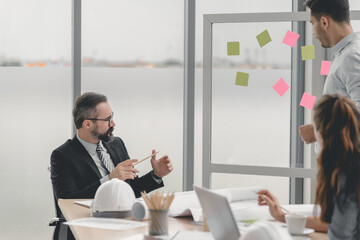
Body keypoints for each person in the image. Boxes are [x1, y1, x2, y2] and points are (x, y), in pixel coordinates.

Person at [50, 92, 173, 239]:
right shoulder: (63, 155)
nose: (113, 124)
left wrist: (156, 175)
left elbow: (131, 190)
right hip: (87, 231)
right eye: (108, 119)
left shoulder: (116, 144)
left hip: (123, 227)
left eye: (112, 117)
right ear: (87, 123)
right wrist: (110, 179)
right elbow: (67, 200)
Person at [259, 94, 360, 239]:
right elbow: (334, 222)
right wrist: (282, 216)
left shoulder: (346, 174)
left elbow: (340, 235)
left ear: (318, 134)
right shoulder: (350, 165)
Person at [299, 0, 360, 144]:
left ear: (324, 22)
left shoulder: (349, 58)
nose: (314, 32)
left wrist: (317, 131)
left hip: (346, 164)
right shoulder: (345, 54)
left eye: (312, 23)